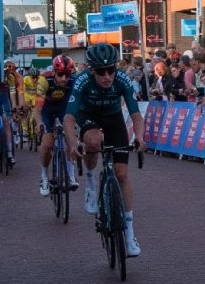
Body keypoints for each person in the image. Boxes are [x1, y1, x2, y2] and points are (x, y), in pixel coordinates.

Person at [63, 44, 147, 255]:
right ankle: (91, 184)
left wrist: (139, 137)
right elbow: (69, 117)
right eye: (101, 72)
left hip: (113, 118)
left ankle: (129, 234)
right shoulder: (82, 81)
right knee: (93, 140)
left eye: (111, 70)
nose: (107, 76)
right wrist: (72, 145)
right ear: (92, 70)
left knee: (122, 175)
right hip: (88, 115)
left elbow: (136, 114)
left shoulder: (122, 80)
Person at [37, 54, 77, 195]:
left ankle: (71, 175)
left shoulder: (74, 81)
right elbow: (37, 109)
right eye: (60, 75)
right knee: (47, 143)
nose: (64, 79)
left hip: (63, 109)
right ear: (54, 72)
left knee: (71, 137)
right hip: (46, 110)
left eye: (67, 75)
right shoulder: (44, 80)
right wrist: (39, 122)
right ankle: (44, 176)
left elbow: (78, 105)